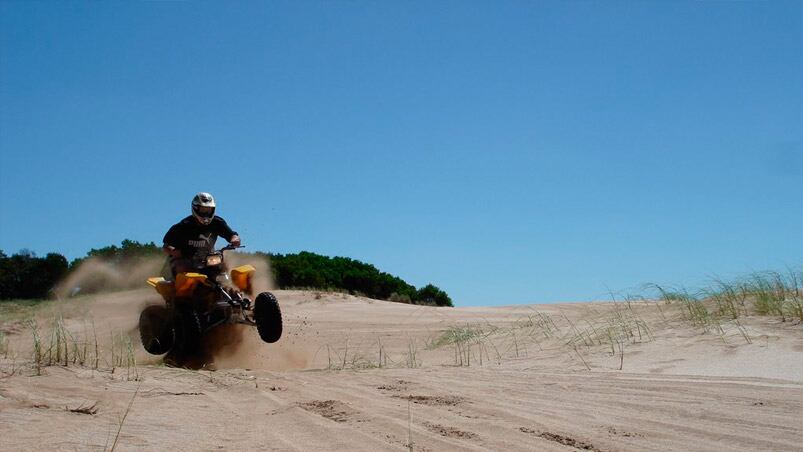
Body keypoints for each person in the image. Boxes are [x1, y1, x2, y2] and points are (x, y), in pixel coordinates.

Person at [163, 192, 240, 276]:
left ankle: (228, 286)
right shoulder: (183, 226)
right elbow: (166, 246)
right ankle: (183, 287)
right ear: (195, 208)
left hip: (207, 259)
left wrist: (235, 240)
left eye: (209, 210)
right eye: (203, 210)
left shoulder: (217, 223)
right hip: (184, 260)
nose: (206, 213)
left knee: (222, 265)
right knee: (182, 266)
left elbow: (231, 235)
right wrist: (175, 252)